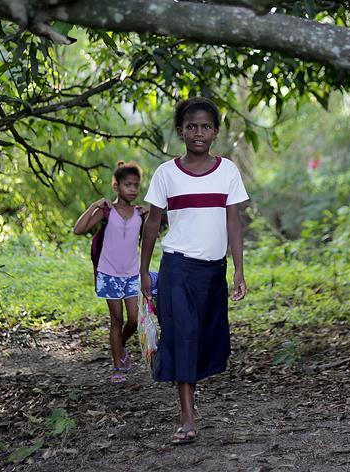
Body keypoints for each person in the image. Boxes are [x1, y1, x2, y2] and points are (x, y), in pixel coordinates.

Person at [139, 97, 249, 445]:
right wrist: (143, 270)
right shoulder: (166, 174)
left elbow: (234, 222)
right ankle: (187, 416)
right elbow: (153, 225)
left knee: (204, 338)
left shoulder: (228, 171)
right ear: (180, 131)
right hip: (177, 269)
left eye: (205, 127)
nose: (198, 133)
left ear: (215, 131)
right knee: (182, 336)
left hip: (213, 272)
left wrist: (238, 270)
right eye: (191, 126)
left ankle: (191, 403)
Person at [73, 160, 144, 384]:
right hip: (109, 273)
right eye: (128, 185)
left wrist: (155, 210)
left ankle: (119, 346)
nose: (132, 190)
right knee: (117, 319)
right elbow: (78, 229)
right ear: (116, 186)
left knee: (133, 320)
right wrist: (94, 205)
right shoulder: (106, 212)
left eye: (136, 186)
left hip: (131, 273)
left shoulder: (140, 213)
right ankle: (118, 366)